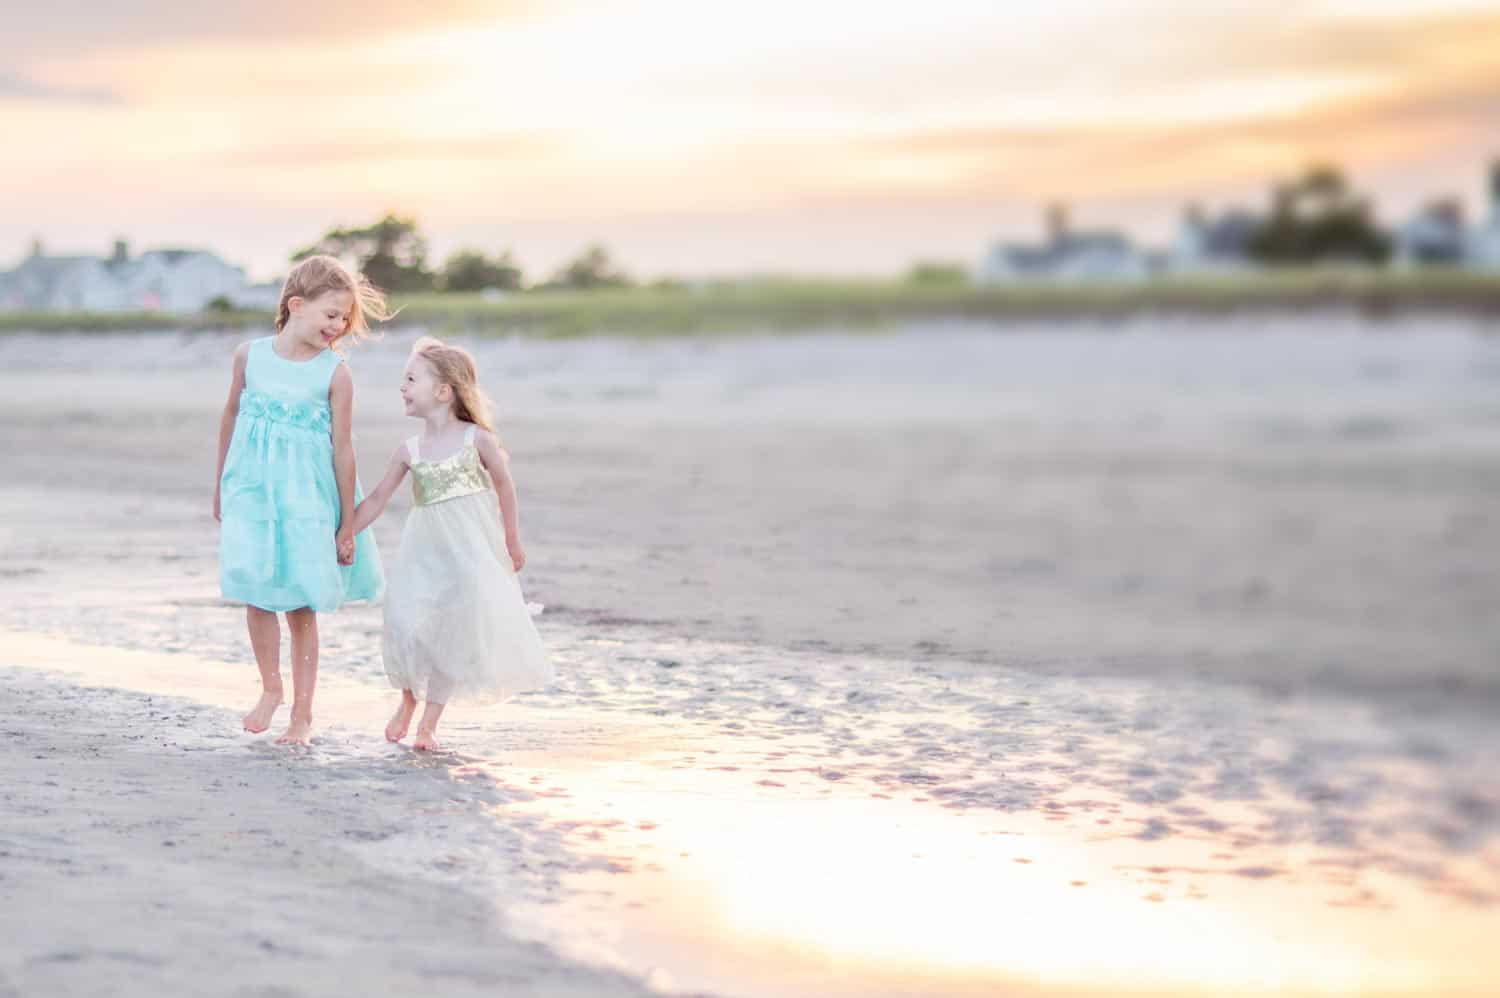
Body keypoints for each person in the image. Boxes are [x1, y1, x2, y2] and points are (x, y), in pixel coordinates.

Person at [213, 255, 387, 744]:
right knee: (255, 588)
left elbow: (344, 449)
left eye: (346, 319)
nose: (339, 326)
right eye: (332, 314)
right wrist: (221, 481)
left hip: (308, 498)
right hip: (251, 489)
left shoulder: (335, 373)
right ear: (296, 306)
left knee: (301, 604)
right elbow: (229, 415)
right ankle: (271, 688)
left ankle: (302, 715)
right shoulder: (250, 355)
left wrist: (346, 523)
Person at [349, 336, 552, 751]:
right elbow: (375, 499)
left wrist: (512, 540)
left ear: (443, 391)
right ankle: (407, 698)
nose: (401, 387)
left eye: (410, 379)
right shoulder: (408, 450)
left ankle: (428, 723)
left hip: (469, 552)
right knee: (405, 619)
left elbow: (505, 487)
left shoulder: (475, 439)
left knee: (450, 633)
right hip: (422, 551)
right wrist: (345, 531)